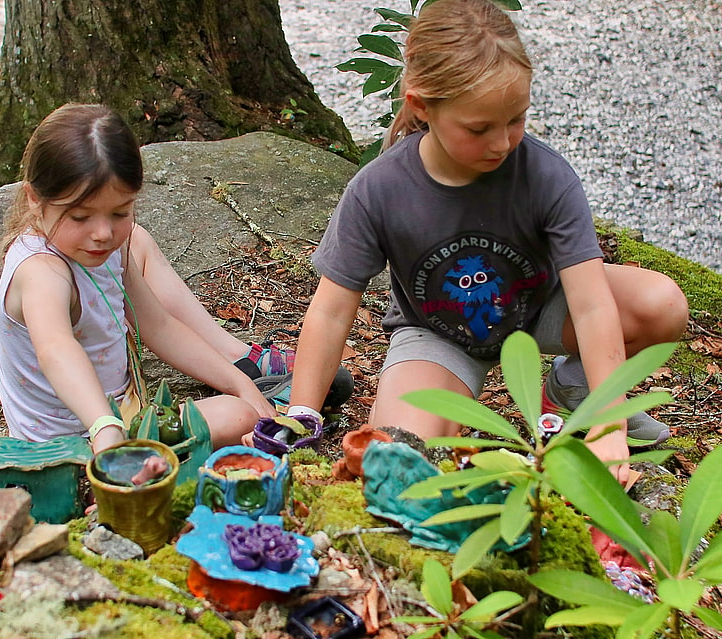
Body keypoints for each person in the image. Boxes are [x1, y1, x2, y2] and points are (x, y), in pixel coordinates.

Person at [285, 0, 688, 483]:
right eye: (479, 128)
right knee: (401, 450)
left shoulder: (546, 176)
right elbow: (331, 310)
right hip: (439, 335)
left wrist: (608, 422)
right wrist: (302, 415)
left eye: (516, 119)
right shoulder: (380, 189)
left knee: (660, 304)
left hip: (538, 311)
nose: (503, 142)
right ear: (422, 107)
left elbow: (593, 306)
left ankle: (572, 391)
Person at [0, 102, 277, 454]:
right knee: (238, 418)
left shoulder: (114, 245)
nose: (102, 233)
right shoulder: (42, 271)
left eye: (119, 212)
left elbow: (157, 325)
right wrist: (104, 425)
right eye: (80, 217)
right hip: (74, 441)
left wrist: (240, 382)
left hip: (121, 412)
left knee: (242, 405)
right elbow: (56, 349)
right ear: (35, 199)